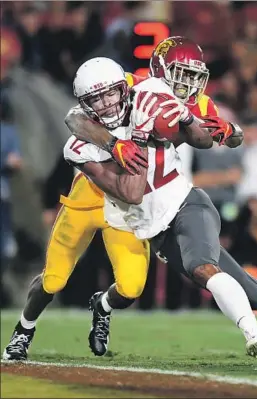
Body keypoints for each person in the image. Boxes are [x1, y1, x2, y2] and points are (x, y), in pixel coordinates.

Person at [66, 57, 257, 365]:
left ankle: (255, 336)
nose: (106, 103)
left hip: (187, 203)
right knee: (255, 295)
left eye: (111, 93)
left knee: (203, 269)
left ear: (123, 88)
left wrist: (190, 120)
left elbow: (210, 138)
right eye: (95, 99)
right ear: (85, 104)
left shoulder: (149, 93)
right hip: (151, 226)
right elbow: (131, 191)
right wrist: (124, 140)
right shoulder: (79, 147)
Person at [2, 37, 238, 361]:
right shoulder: (123, 87)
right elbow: (75, 119)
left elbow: (218, 134)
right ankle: (24, 330)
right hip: (91, 199)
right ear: (158, 71)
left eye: (190, 76)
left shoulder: (189, 103)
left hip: (131, 209)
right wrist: (115, 144)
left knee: (130, 288)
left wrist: (229, 131)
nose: (108, 103)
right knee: (54, 278)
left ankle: (102, 306)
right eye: (177, 73)